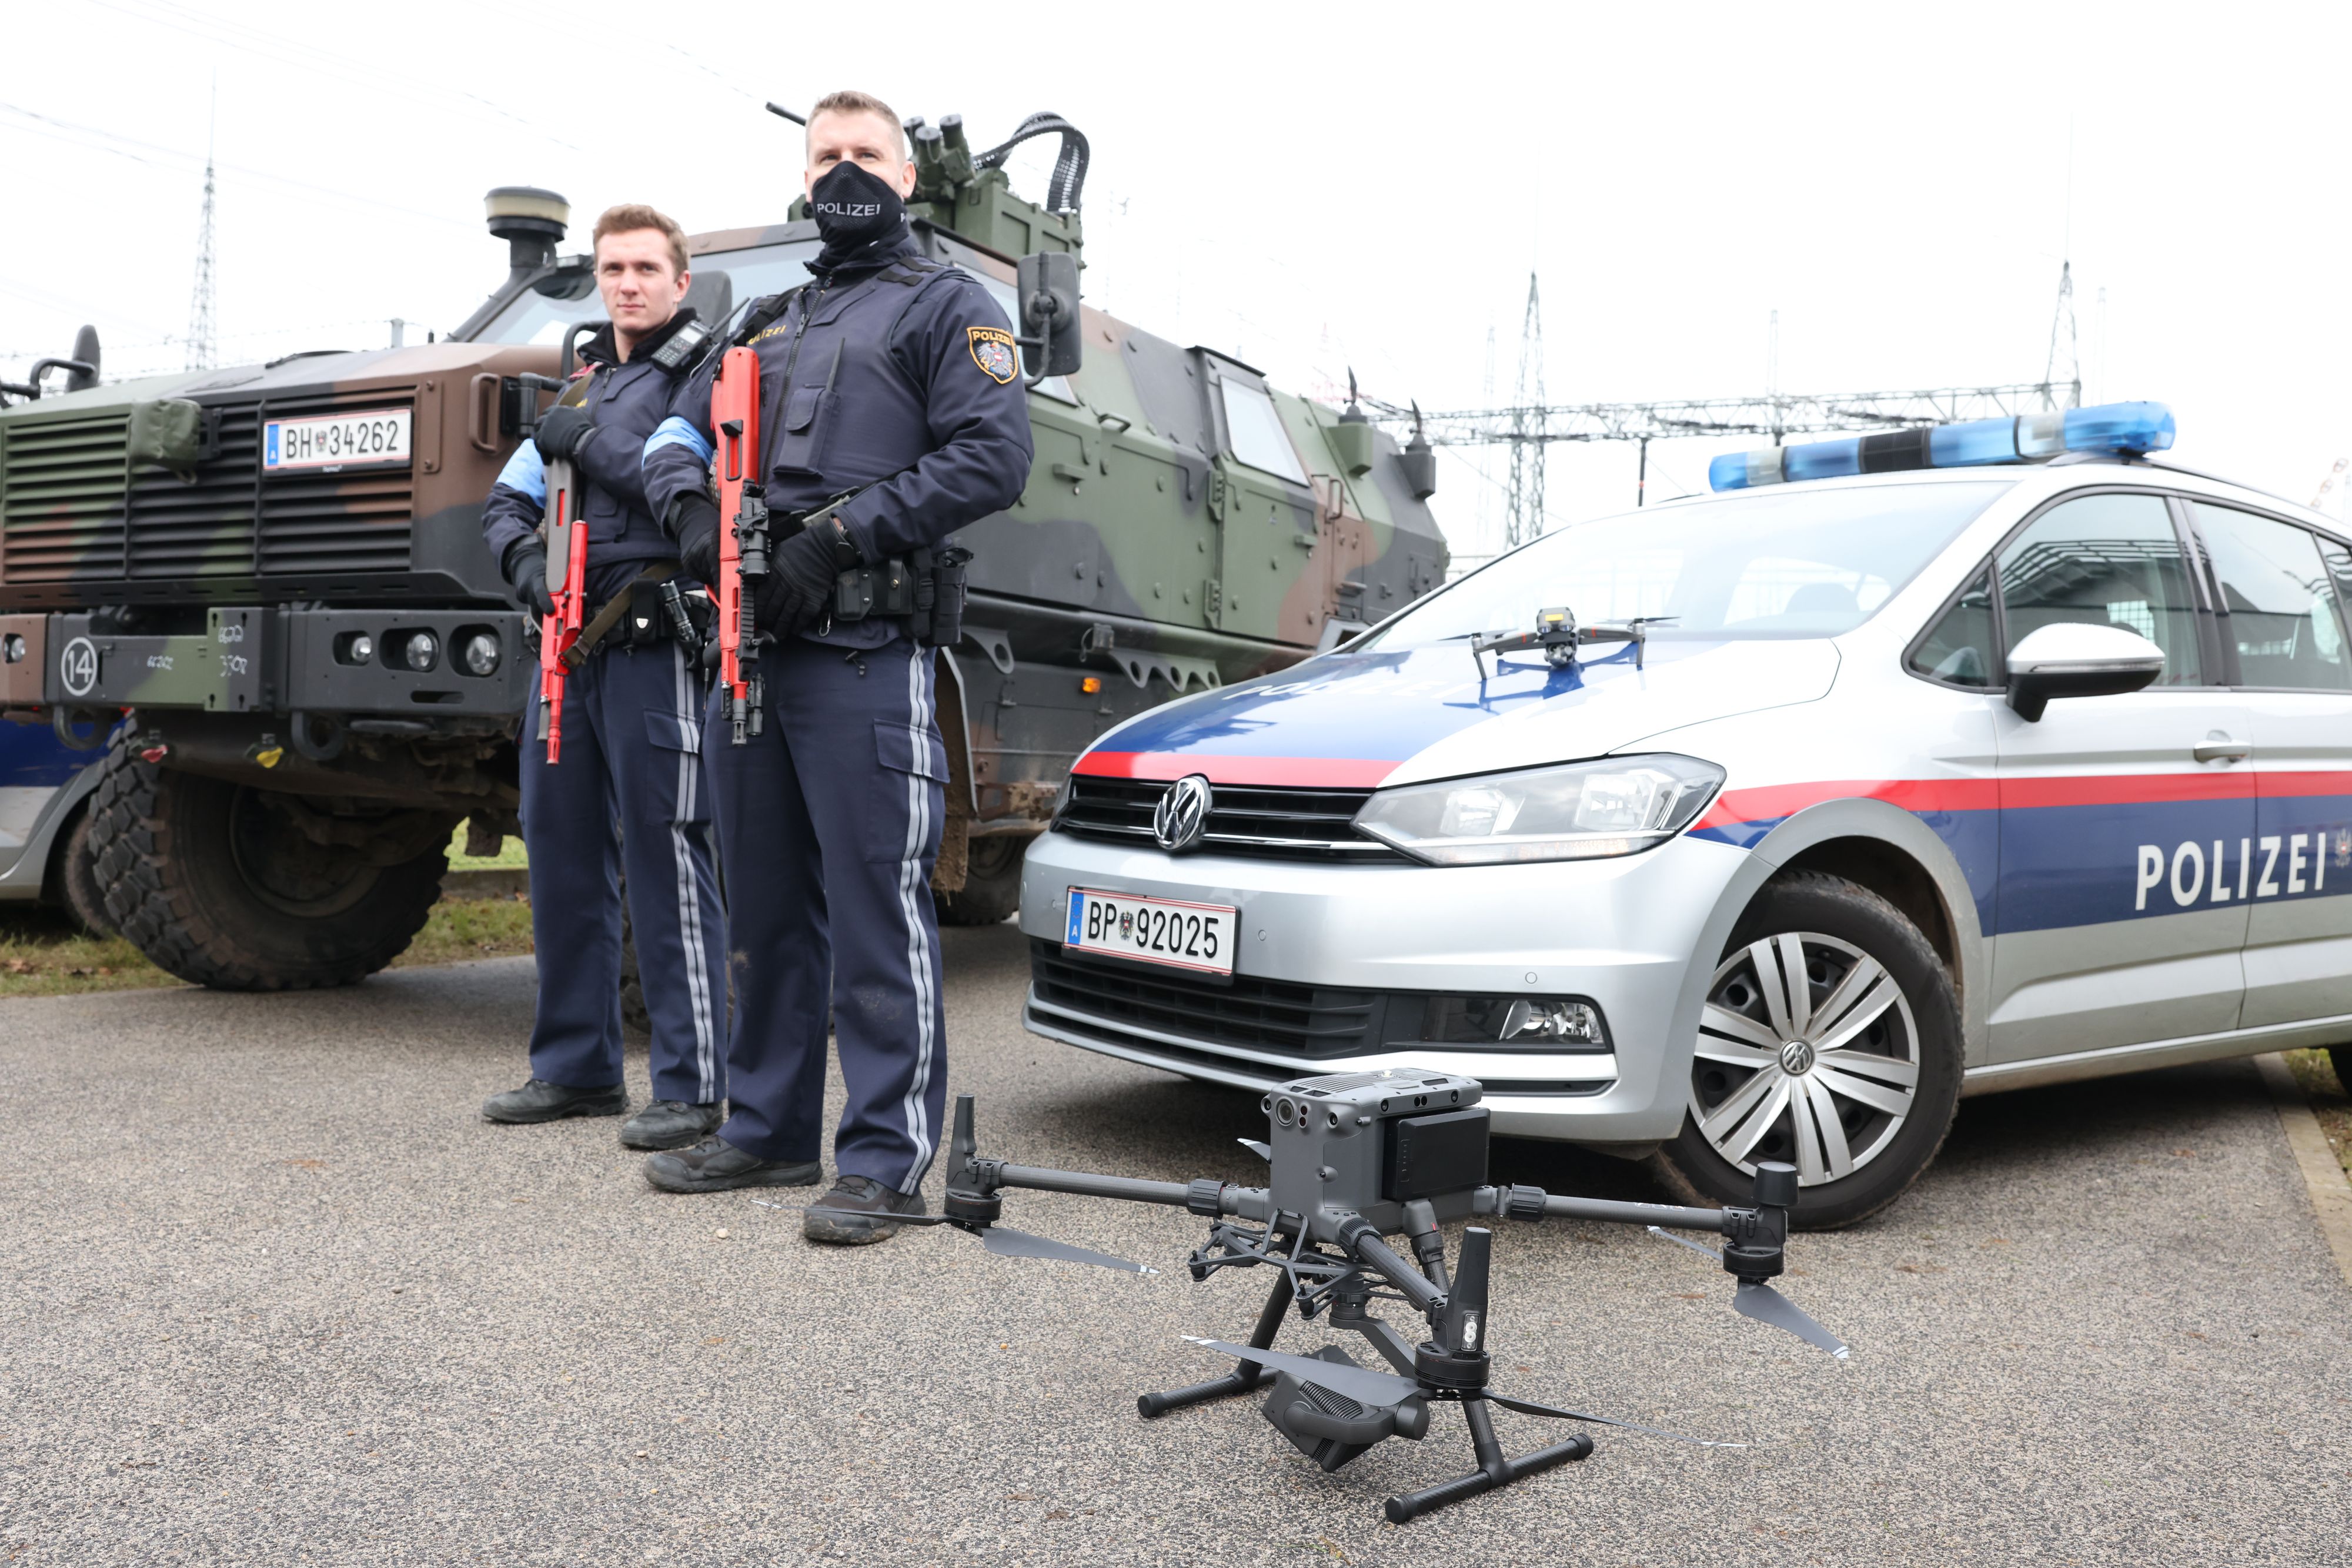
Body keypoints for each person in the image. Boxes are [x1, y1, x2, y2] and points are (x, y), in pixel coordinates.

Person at [637, 89, 1032, 1241]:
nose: (844, 172)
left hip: (864, 649)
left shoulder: (948, 305)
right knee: (761, 905)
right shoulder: (760, 317)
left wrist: (840, 537)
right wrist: (681, 507)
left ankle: (883, 1156)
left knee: (875, 905)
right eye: (826, 156)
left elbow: (991, 455)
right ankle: (763, 1130)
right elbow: (671, 428)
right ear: (803, 178)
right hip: (750, 650)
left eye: (867, 154)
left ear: (905, 178)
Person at [479, 204, 729, 1152]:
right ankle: (576, 1070)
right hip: (562, 651)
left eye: (644, 268)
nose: (626, 283)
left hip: (652, 643)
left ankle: (694, 1085)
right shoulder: (580, 387)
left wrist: (588, 445)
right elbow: (508, 501)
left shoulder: (705, 378)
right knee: (562, 856)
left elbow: (690, 494)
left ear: (678, 281)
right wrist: (525, 568)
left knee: (669, 856)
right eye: (612, 268)